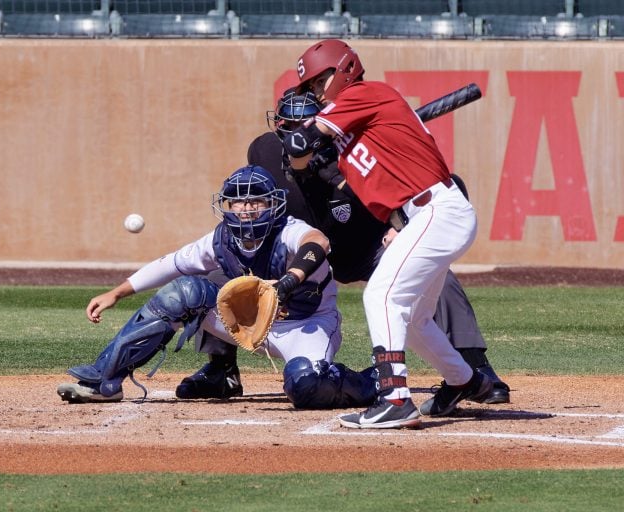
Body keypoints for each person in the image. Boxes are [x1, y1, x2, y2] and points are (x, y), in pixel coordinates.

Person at [176, 89, 510, 406]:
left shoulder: (358, 152)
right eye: (289, 127)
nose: (297, 134)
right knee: (225, 273)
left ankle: (475, 366)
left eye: (307, 126)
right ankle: (222, 370)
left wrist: (400, 227)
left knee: (440, 276)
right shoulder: (264, 152)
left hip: (368, 248)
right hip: (301, 255)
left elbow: (441, 185)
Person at [282, 39, 492, 429]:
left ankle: (395, 399)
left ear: (342, 70)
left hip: (438, 208)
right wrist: (334, 154)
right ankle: (465, 380)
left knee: (380, 295)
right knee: (412, 318)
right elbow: (389, 192)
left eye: (317, 83)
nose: (314, 93)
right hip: (422, 214)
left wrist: (314, 145)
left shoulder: (367, 93)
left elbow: (299, 142)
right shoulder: (352, 145)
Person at [57, 165, 377, 410]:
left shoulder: (291, 231)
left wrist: (288, 281)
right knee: (186, 293)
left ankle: (370, 381)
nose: (246, 207)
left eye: (256, 200)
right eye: (238, 201)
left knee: (307, 386)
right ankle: (109, 381)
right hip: (248, 323)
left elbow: (317, 242)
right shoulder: (220, 239)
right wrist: (116, 293)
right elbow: (169, 265)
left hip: (304, 326)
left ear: (273, 204)